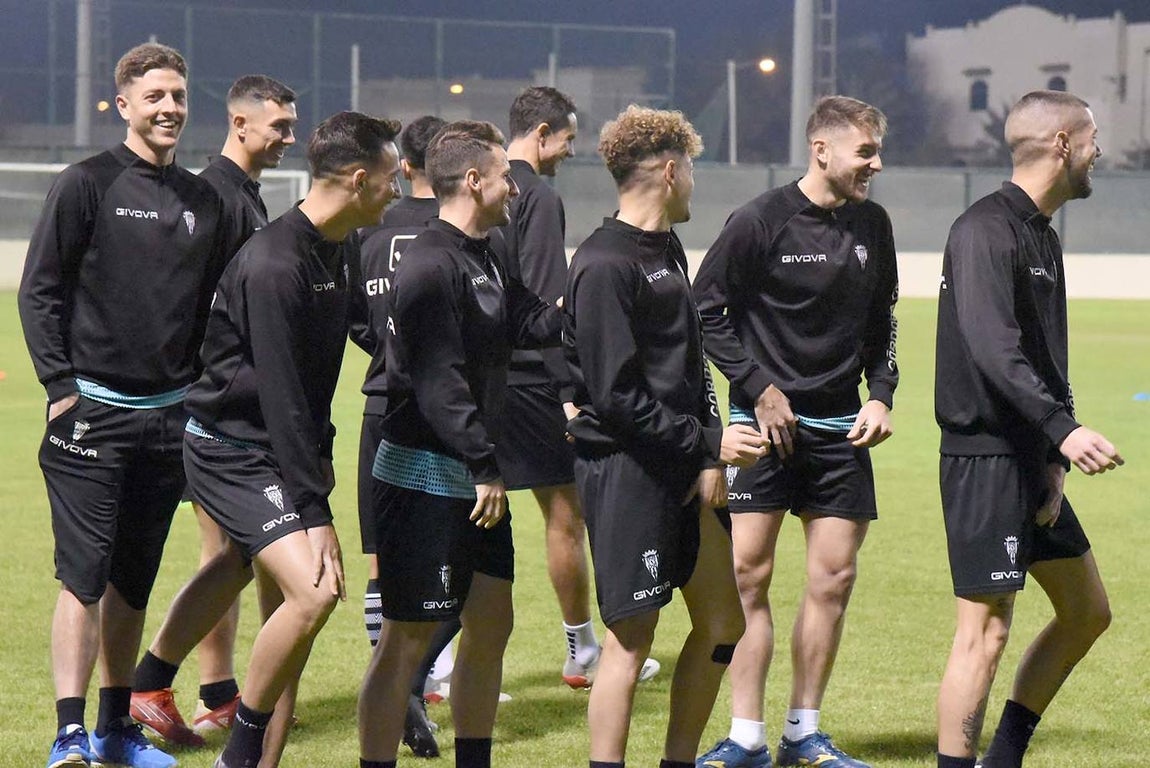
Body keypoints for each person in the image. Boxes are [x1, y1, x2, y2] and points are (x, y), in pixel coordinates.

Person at [19, 43, 230, 768]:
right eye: (154, 96)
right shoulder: (86, 183)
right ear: (124, 105)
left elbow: (211, 313)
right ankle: (68, 734)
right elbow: (40, 291)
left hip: (169, 421)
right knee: (83, 576)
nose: (169, 108)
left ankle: (115, 731)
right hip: (92, 416)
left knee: (132, 582)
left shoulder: (204, 200)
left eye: (178, 95)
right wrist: (60, 388)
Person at [169, 110, 401, 768]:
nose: (397, 190)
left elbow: (360, 340)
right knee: (315, 591)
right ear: (358, 179)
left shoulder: (338, 245)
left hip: (279, 451)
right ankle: (239, 747)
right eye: (389, 178)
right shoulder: (275, 263)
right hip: (232, 451)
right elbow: (283, 398)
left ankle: (251, 754)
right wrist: (315, 510)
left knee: (291, 607)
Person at [692, 95, 899, 768]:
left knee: (833, 579)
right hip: (762, 433)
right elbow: (707, 309)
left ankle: (803, 732)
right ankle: (746, 735)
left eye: (877, 151)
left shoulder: (873, 224)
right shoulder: (760, 220)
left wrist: (881, 396)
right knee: (747, 578)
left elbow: (882, 324)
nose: (876, 163)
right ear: (822, 150)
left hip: (842, 433)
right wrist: (759, 388)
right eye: (866, 151)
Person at [563, 104, 765, 768]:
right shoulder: (603, 263)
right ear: (670, 171)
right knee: (630, 642)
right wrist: (708, 444)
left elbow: (690, 363)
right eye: (692, 171)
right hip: (627, 471)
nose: (694, 185)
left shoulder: (667, 249)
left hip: (681, 463)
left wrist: (705, 453)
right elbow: (615, 398)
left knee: (723, 623)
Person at [357, 120, 560, 768]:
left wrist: (586, 312)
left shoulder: (488, 249)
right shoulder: (428, 263)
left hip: (475, 479)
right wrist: (484, 464)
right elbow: (437, 381)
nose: (515, 189)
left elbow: (527, 317)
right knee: (405, 639)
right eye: (504, 177)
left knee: (492, 622)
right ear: (473, 180)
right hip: (425, 475)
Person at [934, 90, 1123, 768]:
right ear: (1064, 144)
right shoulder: (984, 229)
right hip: (985, 458)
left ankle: (1003, 756)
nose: (1100, 151)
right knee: (983, 633)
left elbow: (1047, 355)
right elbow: (994, 348)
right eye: (1092, 137)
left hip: (1030, 458)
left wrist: (1054, 458)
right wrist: (1063, 429)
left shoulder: (1041, 233)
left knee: (1087, 612)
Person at [130, 72, 299, 751]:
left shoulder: (244, 195)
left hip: (228, 406)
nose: (288, 138)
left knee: (232, 554)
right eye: (279, 127)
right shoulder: (214, 198)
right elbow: (186, 307)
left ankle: (212, 691)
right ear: (240, 123)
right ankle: (171, 687)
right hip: (213, 410)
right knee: (230, 552)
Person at [494, 87, 661, 687]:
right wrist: (567, 388)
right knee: (567, 516)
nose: (570, 150)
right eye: (566, 138)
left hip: (481, 381)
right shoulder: (536, 194)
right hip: (532, 381)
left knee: (471, 516)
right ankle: (582, 648)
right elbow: (546, 299)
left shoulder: (477, 183)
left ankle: (436, 663)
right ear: (541, 134)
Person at [355, 113, 450, 759]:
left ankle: (398, 683)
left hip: (380, 404)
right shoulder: (461, 230)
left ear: (406, 164)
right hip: (445, 416)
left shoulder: (369, 230)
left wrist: (387, 349)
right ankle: (408, 684)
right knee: (466, 571)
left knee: (383, 563)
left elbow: (356, 320)